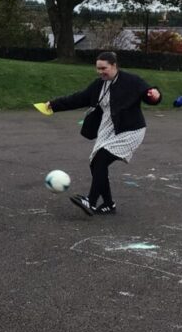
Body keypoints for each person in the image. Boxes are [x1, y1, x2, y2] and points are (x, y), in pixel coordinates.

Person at [47, 52, 161, 216]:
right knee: (95, 163)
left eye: (104, 68)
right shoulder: (99, 84)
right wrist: (54, 105)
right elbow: (80, 98)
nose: (100, 72)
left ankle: (91, 202)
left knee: (100, 159)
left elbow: (149, 93)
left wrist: (155, 95)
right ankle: (108, 204)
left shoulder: (131, 80)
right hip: (108, 128)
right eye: (98, 68)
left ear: (114, 65)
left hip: (130, 129)